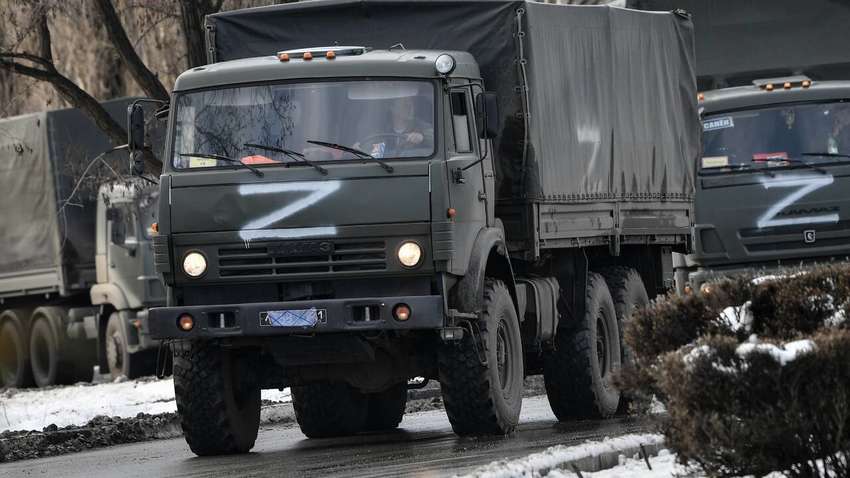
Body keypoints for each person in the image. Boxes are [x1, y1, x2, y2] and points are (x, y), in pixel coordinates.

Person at [356, 96, 433, 158]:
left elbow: (439, 142)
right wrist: (359, 149)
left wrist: (422, 137)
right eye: (405, 103)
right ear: (392, 108)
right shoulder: (382, 131)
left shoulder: (421, 126)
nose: (410, 107)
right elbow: (373, 152)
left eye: (411, 103)